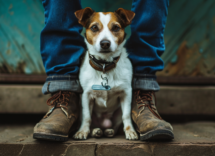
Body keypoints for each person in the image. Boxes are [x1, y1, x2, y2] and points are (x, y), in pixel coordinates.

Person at [33, 0, 174, 141]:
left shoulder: (125, 68)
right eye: (95, 28)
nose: (105, 40)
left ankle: (142, 92)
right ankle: (64, 94)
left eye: (115, 28)